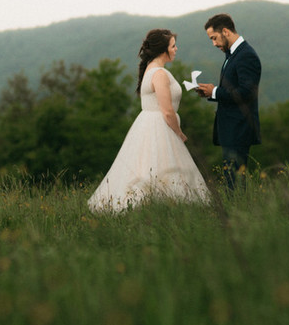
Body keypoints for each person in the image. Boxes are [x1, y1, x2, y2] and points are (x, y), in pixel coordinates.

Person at [88, 29, 210, 212]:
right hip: (161, 126)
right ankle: (160, 206)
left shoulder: (150, 70)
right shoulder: (159, 73)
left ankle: (159, 206)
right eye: (173, 46)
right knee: (162, 166)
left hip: (148, 124)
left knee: (149, 166)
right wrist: (179, 133)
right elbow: (167, 111)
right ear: (163, 50)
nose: (176, 49)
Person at [197, 13, 261, 189]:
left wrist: (216, 91)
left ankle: (237, 215)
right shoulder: (233, 55)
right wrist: (211, 93)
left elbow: (247, 92)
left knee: (235, 183)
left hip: (239, 128)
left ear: (225, 31)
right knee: (231, 181)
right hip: (231, 129)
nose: (214, 44)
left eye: (214, 38)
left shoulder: (246, 55)